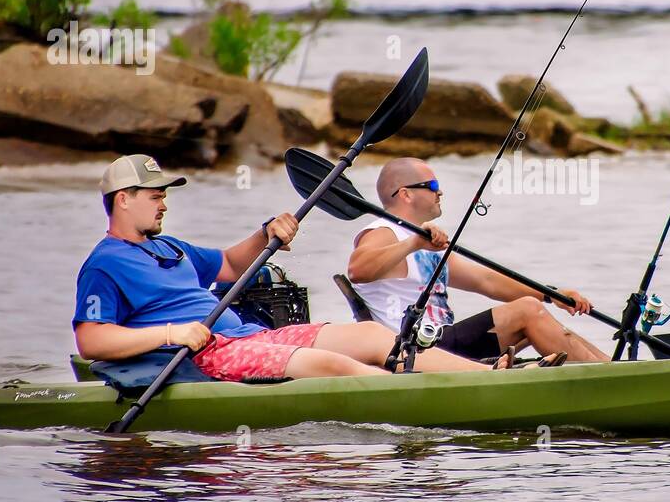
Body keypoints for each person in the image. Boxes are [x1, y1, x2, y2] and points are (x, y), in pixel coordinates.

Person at [73, 154, 515, 381]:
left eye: (164, 195)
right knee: (329, 364)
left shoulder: (169, 247)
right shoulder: (105, 264)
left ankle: (490, 377)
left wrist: (266, 234)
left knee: (370, 335)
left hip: (248, 337)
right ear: (124, 199)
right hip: (203, 355)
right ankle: (424, 397)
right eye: (155, 196)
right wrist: (172, 334)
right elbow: (92, 340)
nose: (164, 202)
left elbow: (228, 263)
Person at [346, 157, 611, 364]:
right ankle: (608, 378)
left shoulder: (425, 244)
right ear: (406, 194)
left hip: (441, 342)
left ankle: (612, 368)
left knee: (534, 308)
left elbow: (486, 281)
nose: (441, 193)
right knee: (527, 311)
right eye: (434, 186)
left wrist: (551, 295)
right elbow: (358, 270)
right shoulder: (383, 231)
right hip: (412, 348)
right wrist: (413, 243)